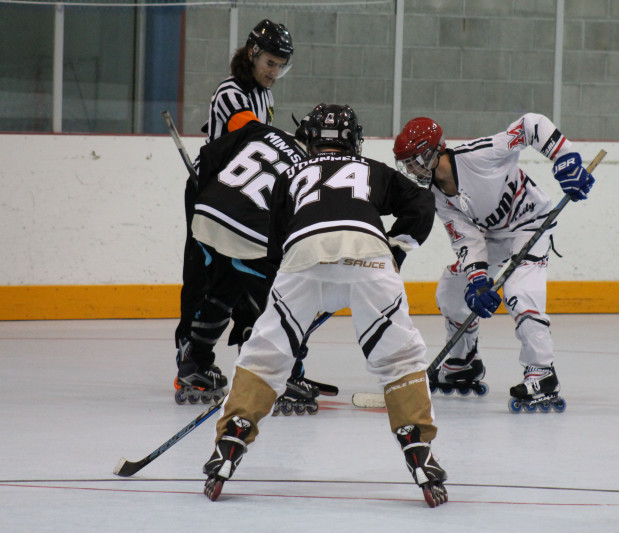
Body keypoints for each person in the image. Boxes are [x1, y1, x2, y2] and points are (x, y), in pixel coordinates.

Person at [202, 103, 448, 507]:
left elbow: (278, 242)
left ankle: (233, 435)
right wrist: (398, 249)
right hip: (368, 253)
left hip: (304, 255)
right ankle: (419, 449)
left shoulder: (291, 174)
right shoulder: (372, 169)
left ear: (310, 139)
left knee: (267, 353)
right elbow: (421, 204)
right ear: (354, 140)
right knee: (398, 356)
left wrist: (299, 298)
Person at [392, 114, 595, 412]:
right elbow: (466, 239)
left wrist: (564, 158)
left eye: (414, 160)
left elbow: (529, 125)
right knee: (452, 289)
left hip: (531, 222)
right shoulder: (434, 196)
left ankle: (542, 372)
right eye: (406, 163)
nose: (410, 169)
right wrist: (476, 281)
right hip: (494, 236)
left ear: (432, 151)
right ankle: (463, 362)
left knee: (519, 291)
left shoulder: (480, 154)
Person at [174, 19, 329, 405]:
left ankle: (217, 356)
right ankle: (191, 354)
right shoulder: (231, 91)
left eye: (281, 66)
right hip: (215, 195)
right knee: (207, 276)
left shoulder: (264, 96)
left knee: (232, 279)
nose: (274, 72)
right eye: (270, 63)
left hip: (242, 199)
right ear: (252, 53)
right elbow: (253, 137)